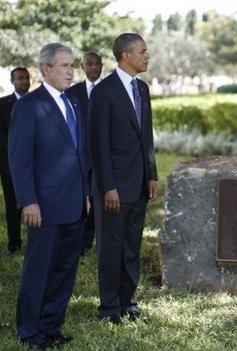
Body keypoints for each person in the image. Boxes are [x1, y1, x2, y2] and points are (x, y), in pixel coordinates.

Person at [9, 43, 90, 349]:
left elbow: (80, 154)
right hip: (42, 206)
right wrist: (28, 201)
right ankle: (29, 333)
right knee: (38, 270)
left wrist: (84, 193)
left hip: (73, 204)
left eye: (72, 66)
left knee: (65, 270)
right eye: (65, 66)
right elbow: (19, 159)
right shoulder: (29, 106)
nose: (71, 71)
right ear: (45, 69)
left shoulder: (73, 103)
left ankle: (51, 327)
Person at [89, 33, 158, 324]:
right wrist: (109, 187)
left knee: (131, 247)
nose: (147, 55)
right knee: (111, 248)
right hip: (113, 189)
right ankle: (108, 308)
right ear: (126, 56)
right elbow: (98, 143)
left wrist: (152, 175)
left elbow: (146, 137)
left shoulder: (142, 88)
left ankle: (128, 303)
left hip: (140, 185)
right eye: (142, 51)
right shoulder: (104, 91)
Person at [67, 51, 103, 255]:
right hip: (80, 156)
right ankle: (82, 242)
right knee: (83, 197)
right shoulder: (73, 92)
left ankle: (97, 239)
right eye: (89, 64)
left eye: (97, 64)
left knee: (100, 198)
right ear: (83, 66)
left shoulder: (109, 89)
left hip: (103, 155)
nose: (93, 67)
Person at [0, 67, 30, 255]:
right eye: (20, 78)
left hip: (35, 163)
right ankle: (14, 244)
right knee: (13, 204)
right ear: (12, 81)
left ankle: (36, 242)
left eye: (27, 78)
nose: (24, 81)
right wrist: (17, 149)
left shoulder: (37, 101)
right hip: (10, 164)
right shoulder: (2, 104)